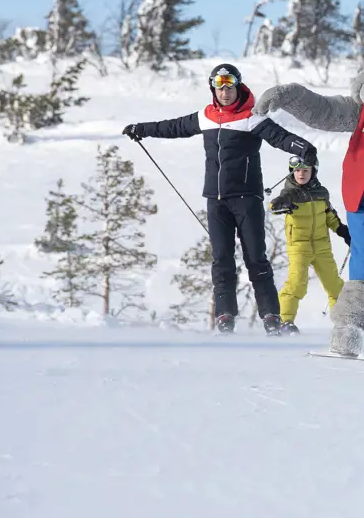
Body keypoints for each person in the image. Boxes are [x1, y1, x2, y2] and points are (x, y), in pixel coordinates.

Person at [122, 63, 317, 336]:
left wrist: (303, 148)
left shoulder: (252, 117)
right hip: (216, 200)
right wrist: (142, 128)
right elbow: (174, 126)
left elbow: (280, 137)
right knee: (221, 259)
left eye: (230, 86)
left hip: (247, 198)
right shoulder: (206, 117)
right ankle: (225, 316)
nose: (225, 92)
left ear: (238, 86)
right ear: (213, 89)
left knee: (256, 258)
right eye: (220, 87)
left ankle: (271, 316)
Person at [268, 155, 350, 334]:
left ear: (313, 172)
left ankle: (343, 323)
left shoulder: (321, 193)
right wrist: (278, 205)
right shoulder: (290, 193)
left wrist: (343, 231)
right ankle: (285, 322)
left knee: (335, 285)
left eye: (306, 170)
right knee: (297, 283)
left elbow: (330, 216)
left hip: (322, 247)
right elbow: (275, 206)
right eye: (297, 170)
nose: (301, 174)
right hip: (299, 246)